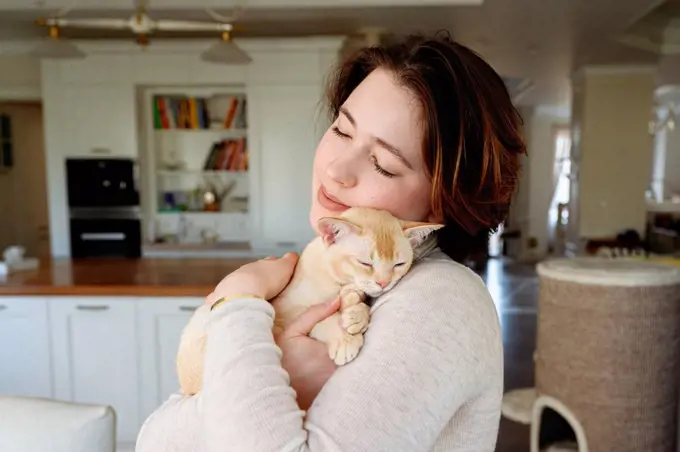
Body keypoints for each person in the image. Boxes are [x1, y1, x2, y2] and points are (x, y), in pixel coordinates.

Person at [135, 31, 525, 452]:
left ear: (442, 204)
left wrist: (239, 301)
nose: (337, 169)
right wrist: (276, 373)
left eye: (383, 164)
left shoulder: (441, 299)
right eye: (341, 130)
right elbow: (153, 440)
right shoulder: (338, 271)